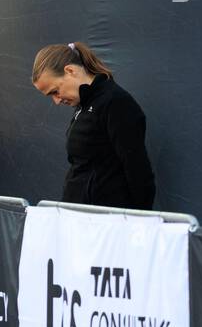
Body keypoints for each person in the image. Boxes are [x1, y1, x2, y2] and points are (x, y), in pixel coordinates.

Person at [31, 42, 155, 210]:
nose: (57, 100)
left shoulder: (116, 102)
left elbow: (137, 169)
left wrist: (141, 220)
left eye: (55, 91)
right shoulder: (82, 106)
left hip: (105, 223)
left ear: (70, 71)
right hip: (79, 219)